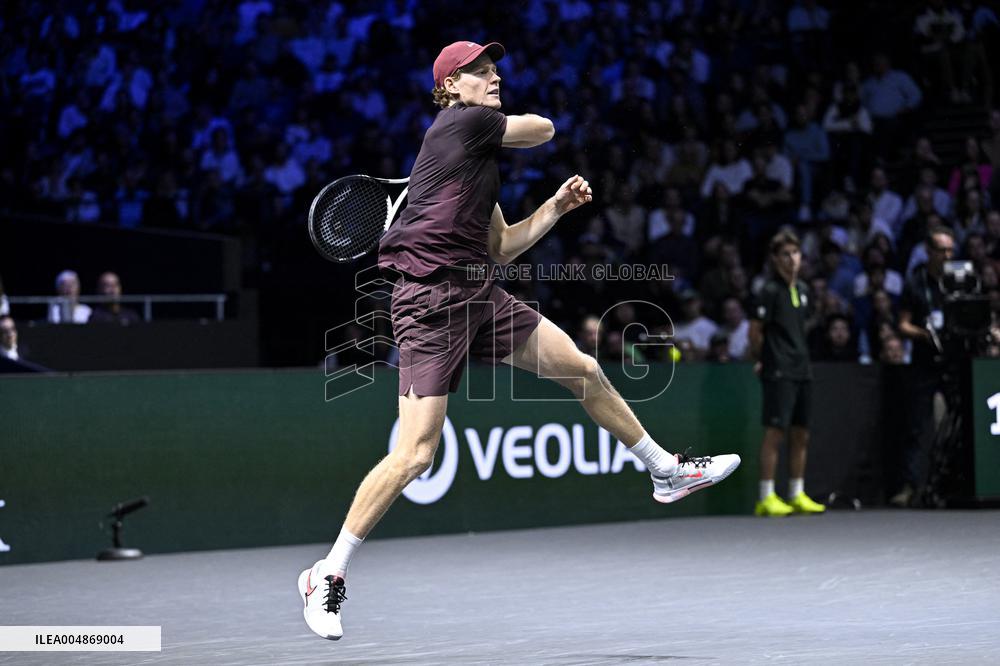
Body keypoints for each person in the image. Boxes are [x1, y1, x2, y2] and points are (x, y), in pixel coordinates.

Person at [297, 40, 741, 642]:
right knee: (416, 454)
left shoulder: (472, 161)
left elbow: (501, 247)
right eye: (481, 70)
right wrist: (526, 127)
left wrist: (555, 207)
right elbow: (545, 128)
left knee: (582, 369)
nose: (494, 75)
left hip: (480, 295)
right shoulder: (462, 124)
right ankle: (328, 573)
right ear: (451, 86)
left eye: (495, 68)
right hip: (429, 305)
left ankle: (664, 470)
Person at [749, 230, 826, 517]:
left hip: (802, 369)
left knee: (801, 433)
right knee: (775, 432)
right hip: (778, 369)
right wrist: (763, 359)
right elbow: (754, 333)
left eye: (796, 253)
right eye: (785, 254)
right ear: (774, 259)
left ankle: (796, 493)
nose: (792, 259)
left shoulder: (804, 290)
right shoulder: (768, 291)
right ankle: (766, 497)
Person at [893, 226, 955, 507]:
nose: (947, 255)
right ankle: (910, 486)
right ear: (928, 252)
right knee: (916, 426)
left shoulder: (959, 280)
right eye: (941, 250)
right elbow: (902, 324)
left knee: (959, 425)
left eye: (950, 250)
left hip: (955, 361)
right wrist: (924, 334)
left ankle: (953, 484)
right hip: (923, 363)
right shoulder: (915, 283)